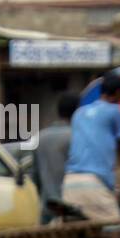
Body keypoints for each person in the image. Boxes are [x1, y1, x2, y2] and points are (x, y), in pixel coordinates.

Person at [62, 73, 120, 223]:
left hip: (69, 182)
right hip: (94, 184)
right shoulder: (114, 111)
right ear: (118, 93)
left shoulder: (79, 113)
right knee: (115, 228)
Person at [35, 93, 78, 222]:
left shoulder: (40, 137)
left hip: (47, 204)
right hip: (70, 206)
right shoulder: (76, 136)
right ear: (77, 112)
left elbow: (35, 174)